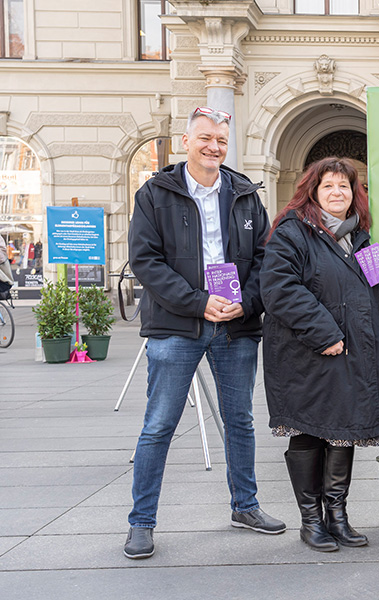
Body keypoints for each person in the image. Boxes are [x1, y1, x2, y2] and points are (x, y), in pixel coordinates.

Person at [125, 106, 285, 560]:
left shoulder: (246, 194)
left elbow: (264, 260)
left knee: (240, 422)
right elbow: (146, 261)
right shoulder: (155, 193)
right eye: (205, 138)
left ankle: (245, 506)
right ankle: (141, 523)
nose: (213, 147)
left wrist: (246, 303)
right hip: (178, 326)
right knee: (159, 426)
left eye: (220, 140)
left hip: (236, 327)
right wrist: (199, 302)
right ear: (186, 140)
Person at [260, 157, 379, 553]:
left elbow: (371, 298)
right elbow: (278, 289)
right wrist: (324, 332)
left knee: (343, 432)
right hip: (307, 355)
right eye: (329, 186)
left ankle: (337, 516)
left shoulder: (360, 236)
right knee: (309, 433)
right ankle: (311, 521)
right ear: (313, 191)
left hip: (353, 353)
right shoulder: (293, 232)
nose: (337, 193)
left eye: (344, 186)